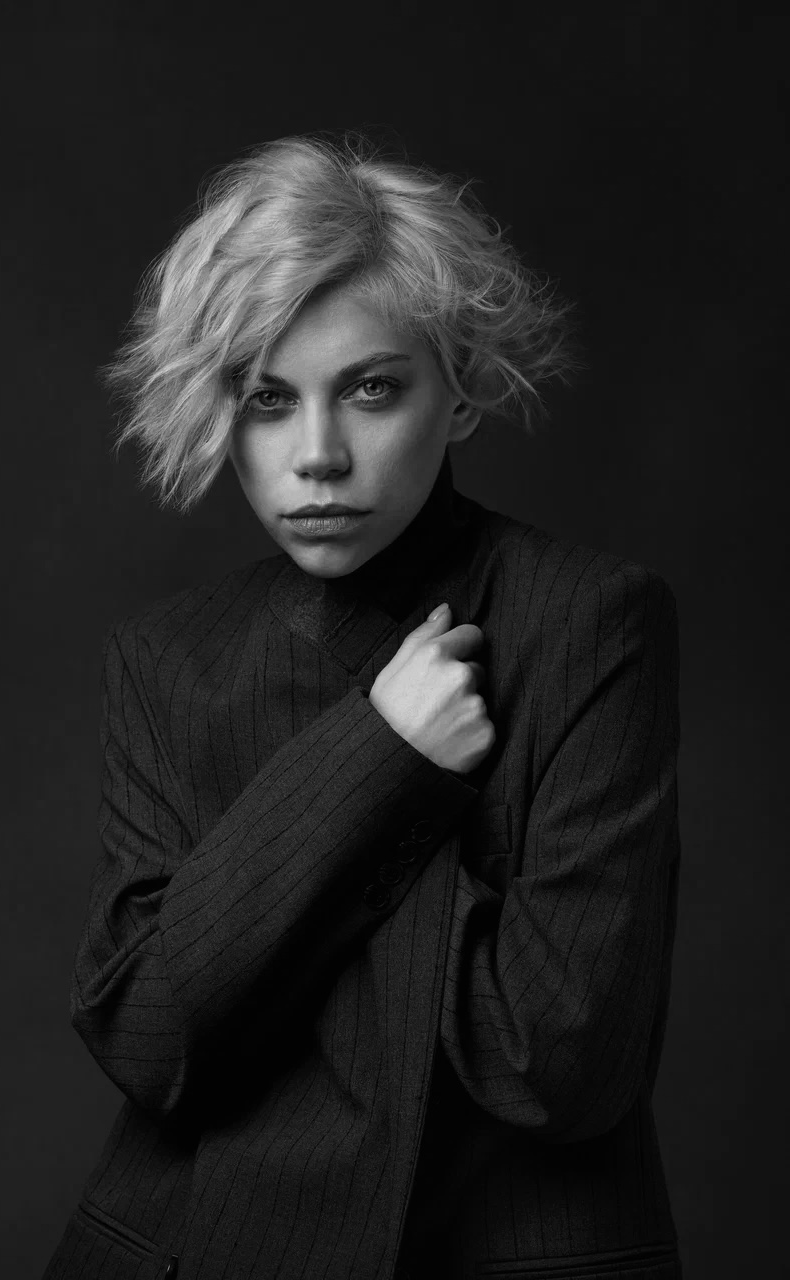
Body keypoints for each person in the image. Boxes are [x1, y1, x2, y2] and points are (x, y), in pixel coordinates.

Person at [43, 132, 683, 1280]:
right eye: (265, 399)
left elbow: (557, 1061)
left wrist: (243, 947)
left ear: (461, 389)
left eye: (372, 388)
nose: (318, 455)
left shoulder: (590, 621)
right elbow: (146, 1036)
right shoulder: (167, 657)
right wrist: (379, 754)